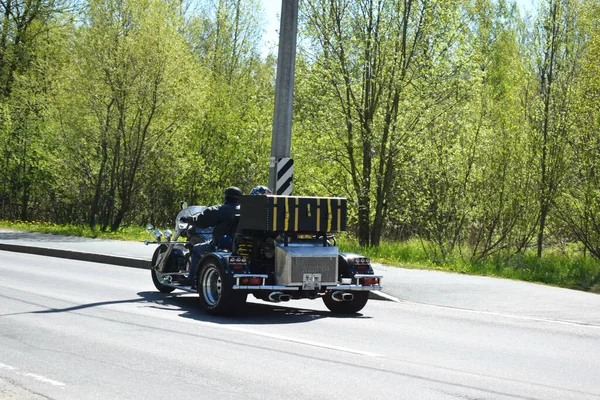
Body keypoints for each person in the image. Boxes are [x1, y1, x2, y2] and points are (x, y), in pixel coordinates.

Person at [181, 186, 242, 286]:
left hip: (222, 244)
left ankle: (191, 279)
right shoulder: (247, 211)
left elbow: (202, 220)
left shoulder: (222, 209)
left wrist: (188, 219)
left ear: (226, 197)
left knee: (196, 249)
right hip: (238, 245)